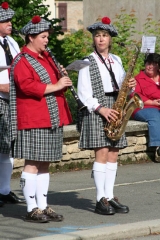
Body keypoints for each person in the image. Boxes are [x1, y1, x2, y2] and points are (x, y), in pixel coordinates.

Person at [9, 15, 72, 223]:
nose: (46, 40)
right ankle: (31, 208)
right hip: (34, 118)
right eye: (43, 37)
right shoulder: (22, 60)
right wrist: (56, 85)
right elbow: (25, 85)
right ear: (31, 37)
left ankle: (43, 206)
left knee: (45, 164)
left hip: (50, 117)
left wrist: (61, 77)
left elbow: (52, 82)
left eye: (47, 37)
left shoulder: (46, 58)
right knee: (32, 165)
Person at [77, 16, 136, 215]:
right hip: (98, 108)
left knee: (113, 153)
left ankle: (109, 196)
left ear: (110, 39)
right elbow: (84, 93)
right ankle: (100, 199)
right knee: (101, 153)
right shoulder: (87, 61)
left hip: (116, 106)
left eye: (104, 36)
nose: (101, 39)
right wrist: (101, 109)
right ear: (93, 39)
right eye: (97, 36)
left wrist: (129, 88)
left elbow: (121, 88)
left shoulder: (117, 60)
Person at [0, 1, 25, 207]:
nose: (10, 23)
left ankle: (4, 190)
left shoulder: (13, 42)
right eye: (5, 20)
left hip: (12, 101)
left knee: (7, 148)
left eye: (10, 20)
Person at [131, 53, 160, 162]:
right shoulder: (138, 78)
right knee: (155, 116)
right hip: (143, 107)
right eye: (148, 63)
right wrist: (152, 102)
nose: (150, 66)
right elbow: (135, 95)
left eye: (154, 64)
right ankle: (158, 148)